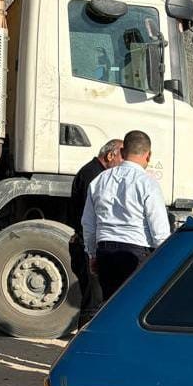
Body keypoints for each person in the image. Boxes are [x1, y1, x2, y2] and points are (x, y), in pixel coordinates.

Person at [83, 130, 171, 301]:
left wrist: (92, 254)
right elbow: (159, 229)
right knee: (135, 304)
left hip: (105, 251)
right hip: (135, 253)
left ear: (122, 152)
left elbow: (88, 223)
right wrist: (164, 259)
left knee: (110, 304)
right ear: (148, 155)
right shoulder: (148, 183)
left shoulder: (99, 180)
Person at [68, 139, 123, 326]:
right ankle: (84, 339)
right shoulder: (94, 176)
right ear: (110, 155)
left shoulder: (93, 173)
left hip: (87, 243)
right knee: (93, 301)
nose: (123, 164)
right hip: (87, 245)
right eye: (122, 157)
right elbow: (91, 217)